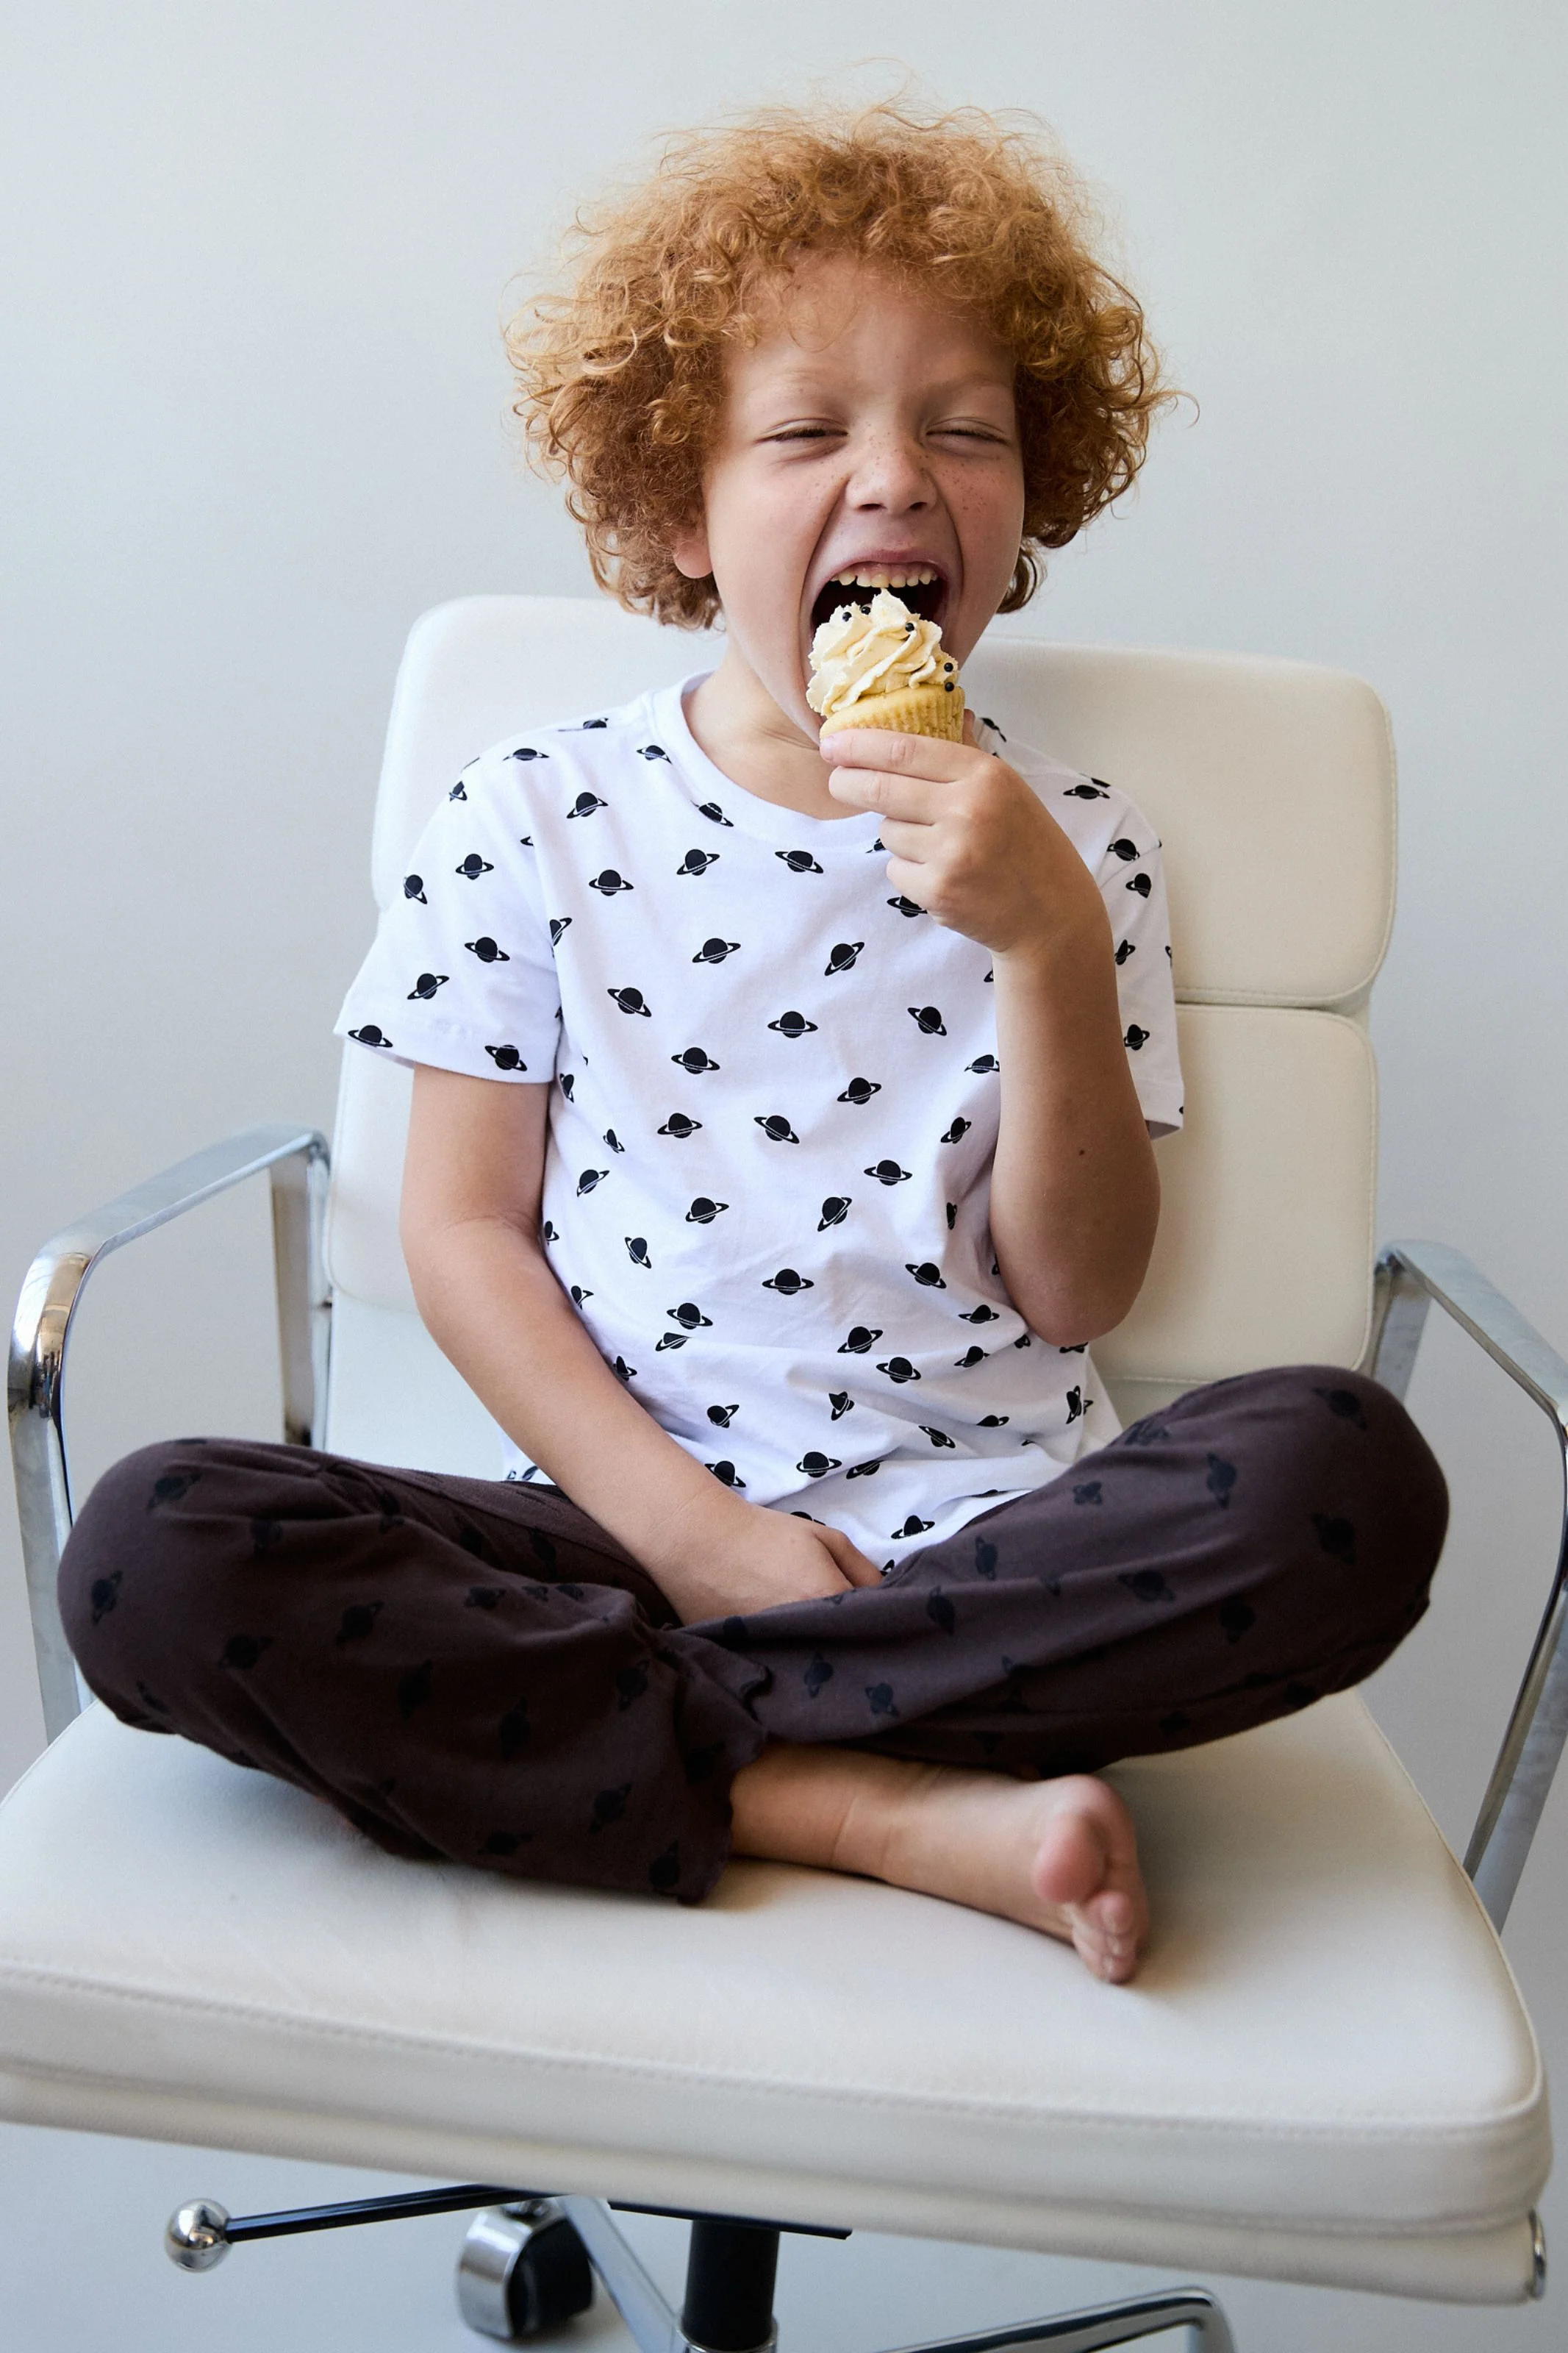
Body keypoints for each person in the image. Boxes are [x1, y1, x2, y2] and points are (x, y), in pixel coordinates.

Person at [58, 101, 1447, 1984]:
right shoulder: (535, 812)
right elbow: (457, 1232)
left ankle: (660, 1739)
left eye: (965, 429)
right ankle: (861, 1801)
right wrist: (691, 1537)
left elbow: (1074, 1292)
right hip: (610, 1536)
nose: (895, 479)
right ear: (676, 512)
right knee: (156, 1547)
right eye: (805, 432)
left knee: (1345, 1479)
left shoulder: (1078, 845)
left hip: (985, 1555)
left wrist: (1045, 941)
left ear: (1028, 499)